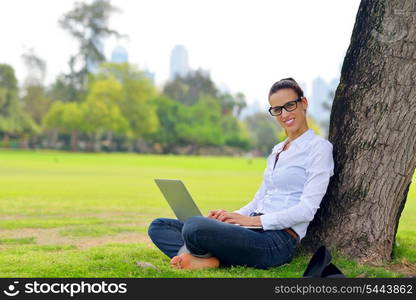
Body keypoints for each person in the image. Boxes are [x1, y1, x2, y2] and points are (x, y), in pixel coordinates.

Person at [147, 78, 334, 270]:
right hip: (250, 229)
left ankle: (204, 257)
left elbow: (307, 209)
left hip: (277, 239)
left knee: (195, 227)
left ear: (303, 103)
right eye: (277, 109)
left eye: (289, 105)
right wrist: (230, 216)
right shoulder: (278, 150)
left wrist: (252, 221)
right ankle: (208, 259)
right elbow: (259, 199)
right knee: (160, 226)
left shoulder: (319, 148)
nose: (284, 114)